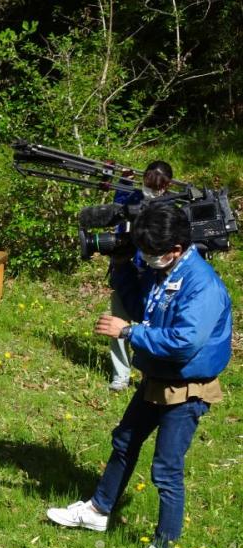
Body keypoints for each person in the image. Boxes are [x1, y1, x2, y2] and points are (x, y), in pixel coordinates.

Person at [47, 204, 231, 548]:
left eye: (151, 252)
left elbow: (184, 342)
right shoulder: (165, 271)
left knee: (166, 468)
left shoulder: (201, 284)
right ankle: (99, 510)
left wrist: (129, 332)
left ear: (176, 249)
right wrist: (120, 265)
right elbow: (139, 305)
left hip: (187, 388)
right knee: (124, 442)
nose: (145, 258)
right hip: (156, 378)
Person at [108, 160, 174, 391]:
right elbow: (116, 208)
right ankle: (120, 376)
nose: (152, 187)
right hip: (125, 267)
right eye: (149, 181)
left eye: (157, 184)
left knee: (149, 324)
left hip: (152, 273)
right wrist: (124, 181)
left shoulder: (169, 205)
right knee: (118, 319)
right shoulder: (132, 197)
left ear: (166, 185)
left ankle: (149, 373)